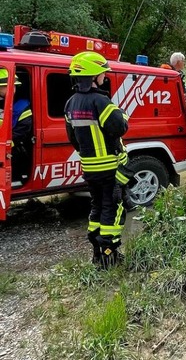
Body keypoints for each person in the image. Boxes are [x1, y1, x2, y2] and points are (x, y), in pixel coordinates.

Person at [64, 51, 130, 269]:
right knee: (113, 209)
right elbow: (119, 128)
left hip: (90, 168)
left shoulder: (70, 104)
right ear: (93, 76)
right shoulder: (101, 101)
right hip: (111, 168)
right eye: (102, 73)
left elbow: (73, 139)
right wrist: (121, 115)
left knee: (97, 207)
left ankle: (96, 253)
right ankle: (109, 256)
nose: (105, 76)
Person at [0, 69, 33, 182]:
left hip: (12, 146)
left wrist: (8, 142)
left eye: (14, 86)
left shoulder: (22, 105)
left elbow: (23, 129)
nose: (12, 89)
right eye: (8, 86)